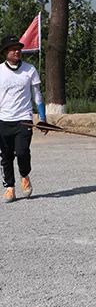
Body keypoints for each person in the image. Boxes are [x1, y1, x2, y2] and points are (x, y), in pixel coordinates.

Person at [0, 34, 46, 203]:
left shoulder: (29, 70)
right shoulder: (0, 71)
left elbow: (37, 96)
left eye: (18, 48)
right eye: (13, 49)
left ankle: (24, 175)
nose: (17, 51)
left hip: (23, 119)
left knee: (22, 152)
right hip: (3, 119)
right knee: (5, 156)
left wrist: (42, 118)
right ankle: (9, 188)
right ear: (6, 52)